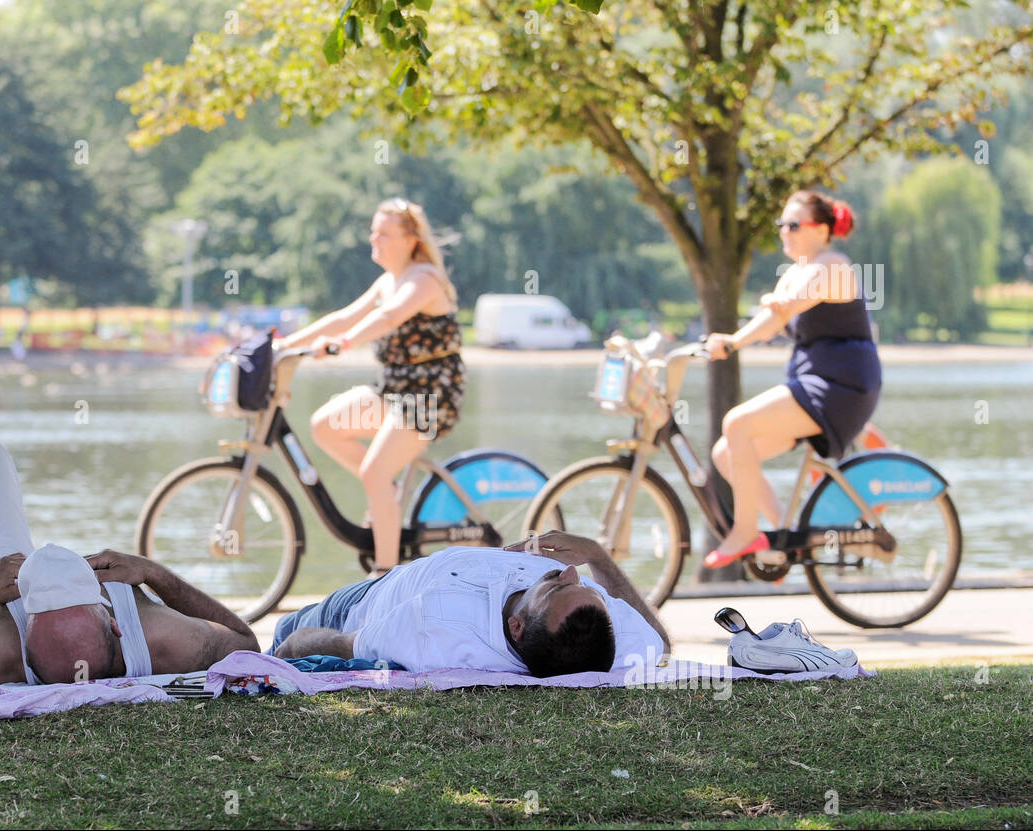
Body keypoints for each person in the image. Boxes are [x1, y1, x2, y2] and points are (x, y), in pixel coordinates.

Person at [0, 436, 259, 687]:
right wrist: (154, 576)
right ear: (115, 622)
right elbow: (245, 642)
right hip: (3, 592)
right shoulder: (158, 636)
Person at [276, 197, 464, 576]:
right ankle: (389, 495)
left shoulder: (423, 278)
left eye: (384, 233)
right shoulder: (388, 281)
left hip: (430, 398)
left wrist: (345, 344)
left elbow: (389, 316)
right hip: (394, 390)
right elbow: (343, 317)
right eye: (373, 231)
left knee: (374, 473)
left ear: (411, 239)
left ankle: (386, 576)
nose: (373, 239)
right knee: (325, 426)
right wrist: (284, 345)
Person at [702, 190, 881, 568]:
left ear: (821, 230)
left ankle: (747, 532)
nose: (784, 230)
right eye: (781, 224)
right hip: (815, 381)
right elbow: (773, 320)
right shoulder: (799, 270)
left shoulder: (832, 266)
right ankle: (785, 533)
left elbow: (796, 301)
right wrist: (732, 342)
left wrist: (778, 305)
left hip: (841, 386)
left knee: (737, 422)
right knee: (726, 453)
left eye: (793, 224)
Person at [267, 531, 671, 677]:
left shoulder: (436, 631)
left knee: (270, 634)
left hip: (359, 603)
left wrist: (283, 654)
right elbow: (660, 643)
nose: (571, 573)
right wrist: (598, 556)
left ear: (516, 627)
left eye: (556, 587)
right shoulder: (604, 636)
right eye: (587, 587)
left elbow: (338, 645)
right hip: (410, 576)